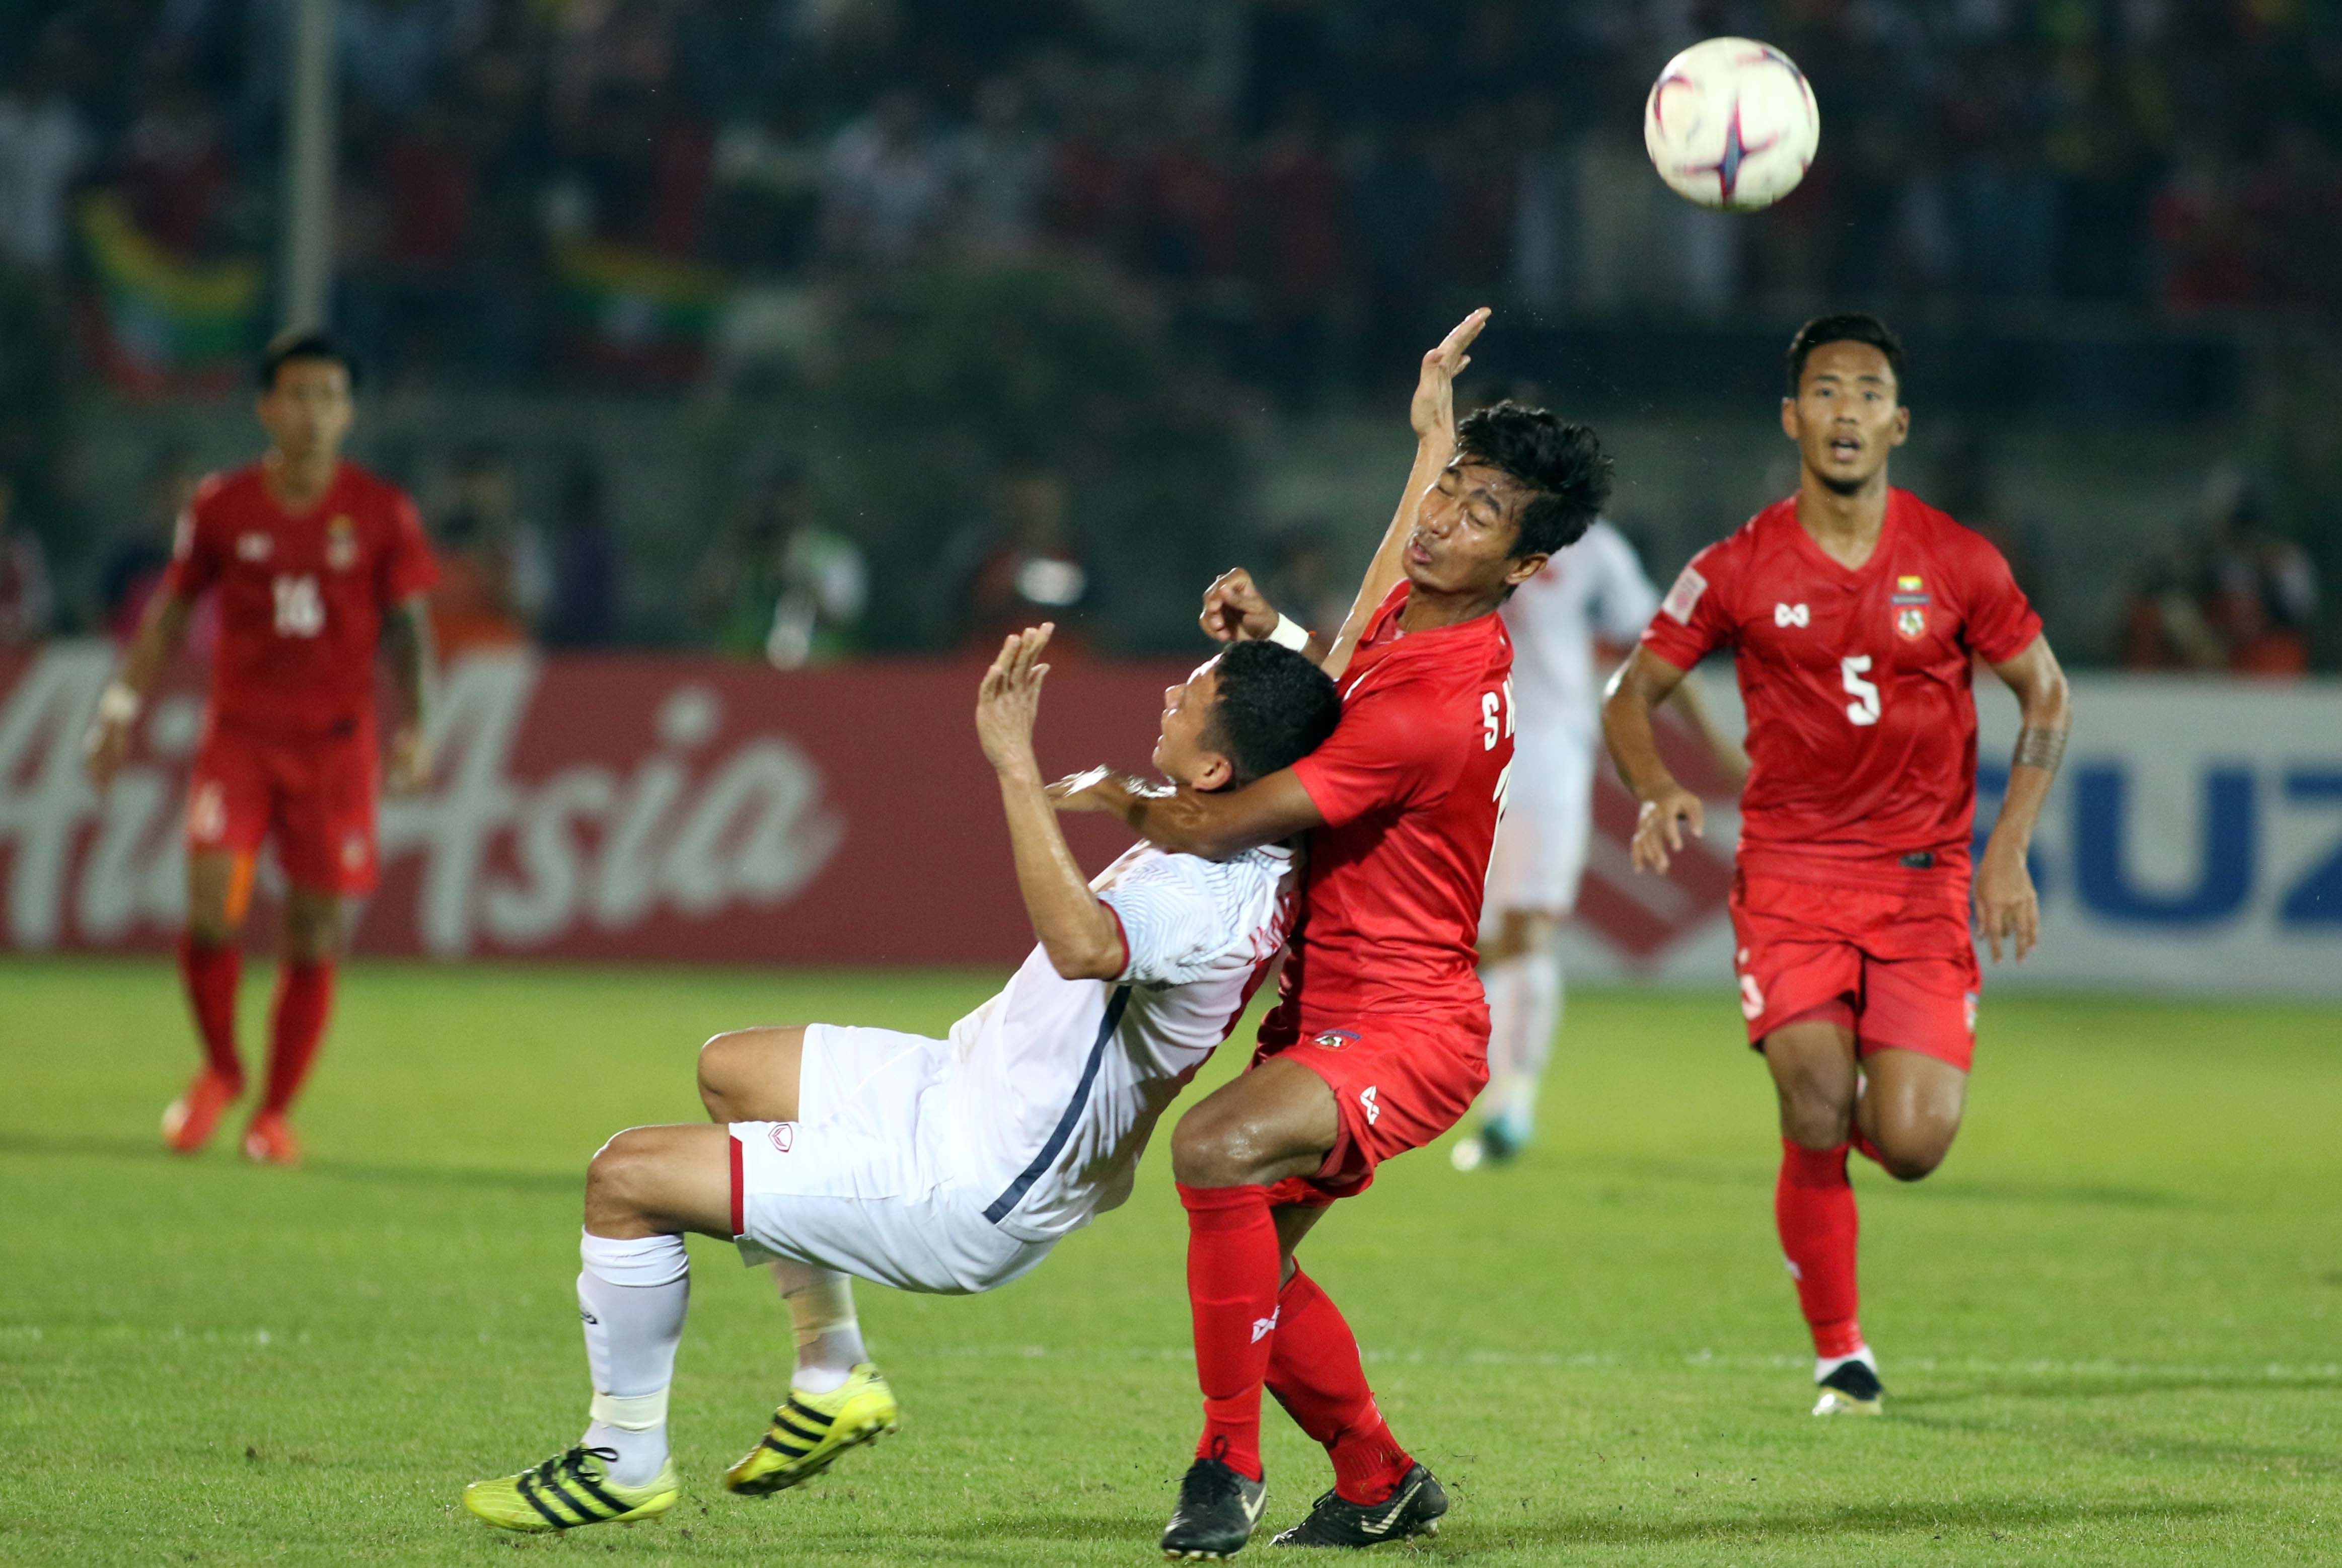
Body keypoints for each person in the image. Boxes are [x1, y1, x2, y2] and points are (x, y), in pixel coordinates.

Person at [459, 628, 1342, 1535]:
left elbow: (1084, 946)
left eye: (1190, 698)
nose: (1168, 696)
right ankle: (830, 1374)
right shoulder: (1231, 824)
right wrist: (1268, 638)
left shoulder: (1213, 894)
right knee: (733, 1071)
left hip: (976, 1177)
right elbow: (1337, 679)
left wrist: (1011, 760)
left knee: (624, 1178)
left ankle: (624, 1458)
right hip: (954, 1087)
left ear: (1216, 770)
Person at [1050, 309, 1612, 1555]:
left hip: (1407, 1027)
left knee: (1213, 1148)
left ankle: (1222, 1466)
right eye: (1451, 494)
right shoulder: (1417, 621)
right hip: (1329, 1011)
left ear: (1524, 566)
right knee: (1256, 1264)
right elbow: (1361, 619)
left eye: (1477, 515)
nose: (1442, 521)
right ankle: (1378, 1474)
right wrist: (1294, 623)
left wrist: (1098, 798)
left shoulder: (1436, 701)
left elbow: (1221, 822)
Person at [1601, 313, 2072, 1417]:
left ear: (1898, 424)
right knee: (1815, 1107)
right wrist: (1659, 785)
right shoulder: (1735, 565)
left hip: (1918, 886)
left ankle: (1864, 1099)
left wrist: (2006, 847)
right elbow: (1633, 694)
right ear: (1792, 417)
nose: (1846, 409)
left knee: (1909, 1143)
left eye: (1868, 392)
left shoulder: (1958, 559)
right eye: (1824, 390)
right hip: (1791, 878)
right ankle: (1840, 1354)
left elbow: (2044, 691)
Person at [82, 329, 438, 1167]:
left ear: (349, 412)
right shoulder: (222, 505)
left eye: (329, 397)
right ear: (267, 407)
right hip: (239, 741)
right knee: (213, 909)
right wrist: (119, 704)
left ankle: (273, 1114)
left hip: (335, 751)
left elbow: (410, 630)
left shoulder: (382, 512)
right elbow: (172, 611)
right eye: (298, 396)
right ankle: (219, 1071)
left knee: (313, 934)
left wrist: (420, 726)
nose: (313, 414)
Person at [1457, 511, 1745, 1169]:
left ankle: (1509, 1105)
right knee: (1468, 944)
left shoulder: (1590, 548)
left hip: (1548, 757)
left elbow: (1659, 647)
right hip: (1456, 758)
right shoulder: (1450, 528)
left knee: (1528, 929)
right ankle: (1435, 1081)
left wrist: (1718, 750)